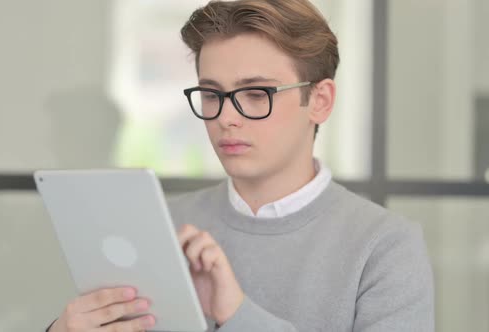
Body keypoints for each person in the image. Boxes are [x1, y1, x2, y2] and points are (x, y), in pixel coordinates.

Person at [47, 0, 434, 331]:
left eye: (255, 93)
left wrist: (236, 313)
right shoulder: (162, 225)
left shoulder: (385, 247)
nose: (226, 118)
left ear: (320, 101)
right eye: (212, 93)